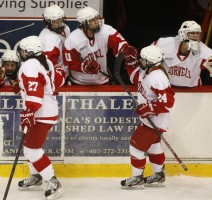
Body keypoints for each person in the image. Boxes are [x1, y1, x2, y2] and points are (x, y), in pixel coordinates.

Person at [16, 35, 65, 199]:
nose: (20, 52)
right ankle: (36, 177)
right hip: (47, 110)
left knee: (32, 150)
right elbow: (55, 81)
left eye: (22, 50)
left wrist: (30, 111)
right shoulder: (46, 61)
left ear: (28, 52)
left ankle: (53, 183)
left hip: (40, 113)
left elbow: (35, 92)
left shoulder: (29, 65)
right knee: (29, 146)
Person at [120, 45, 175, 189]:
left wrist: (149, 108)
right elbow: (134, 78)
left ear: (150, 62)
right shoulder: (146, 71)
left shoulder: (158, 77)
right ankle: (159, 174)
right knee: (154, 146)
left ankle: (137, 177)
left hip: (155, 121)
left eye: (142, 60)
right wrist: (130, 62)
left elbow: (168, 103)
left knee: (135, 148)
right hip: (152, 120)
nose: (140, 61)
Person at [62, 6, 135, 85]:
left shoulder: (106, 31)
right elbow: (69, 63)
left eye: (96, 19)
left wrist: (125, 50)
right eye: (92, 20)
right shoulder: (72, 39)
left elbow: (118, 42)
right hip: (79, 81)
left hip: (102, 80)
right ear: (83, 23)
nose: (96, 22)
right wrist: (83, 67)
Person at [153, 20, 212, 87]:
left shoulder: (203, 51)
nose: (196, 36)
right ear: (183, 34)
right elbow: (147, 55)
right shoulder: (165, 44)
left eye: (198, 33)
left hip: (192, 90)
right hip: (166, 87)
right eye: (192, 33)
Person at [39, 4, 70, 81]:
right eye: (56, 22)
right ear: (48, 22)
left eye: (61, 20)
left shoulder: (65, 28)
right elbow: (49, 64)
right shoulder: (48, 39)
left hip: (66, 72)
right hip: (57, 76)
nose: (60, 24)